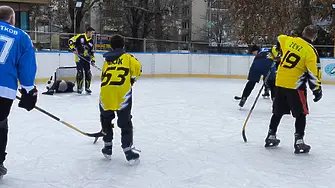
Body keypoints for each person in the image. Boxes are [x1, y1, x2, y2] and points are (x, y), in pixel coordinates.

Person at [264, 25, 322, 154]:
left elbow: (279, 38)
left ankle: (270, 136)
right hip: (295, 86)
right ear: (315, 37)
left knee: (277, 112)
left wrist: (277, 49)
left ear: (302, 32)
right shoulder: (310, 50)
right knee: (301, 114)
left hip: (280, 81)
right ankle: (299, 142)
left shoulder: (289, 40)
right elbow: (314, 72)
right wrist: (317, 89)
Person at [0, 6, 37, 178]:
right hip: (4, 90)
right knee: (1, 124)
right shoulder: (21, 36)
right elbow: (26, 68)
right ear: (12, 19)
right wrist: (28, 91)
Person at [99, 34, 142, 164]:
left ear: (111, 46)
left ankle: (107, 148)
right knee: (125, 122)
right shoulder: (129, 58)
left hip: (105, 94)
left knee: (106, 120)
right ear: (123, 45)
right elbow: (138, 70)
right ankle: (128, 151)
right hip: (122, 95)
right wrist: (131, 80)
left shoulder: (107, 61)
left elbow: (103, 77)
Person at [68, 27, 96, 94]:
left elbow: (91, 52)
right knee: (80, 73)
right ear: (88, 32)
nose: (92, 34)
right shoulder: (80, 36)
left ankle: (87, 88)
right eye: (92, 33)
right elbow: (70, 41)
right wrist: (73, 49)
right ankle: (79, 88)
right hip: (79, 58)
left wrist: (93, 60)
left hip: (87, 59)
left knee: (88, 73)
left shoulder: (91, 41)